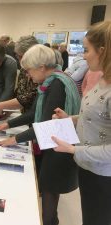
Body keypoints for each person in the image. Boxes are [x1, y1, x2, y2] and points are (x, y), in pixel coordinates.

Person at [0, 44, 81, 225]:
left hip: (58, 148)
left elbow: (47, 125)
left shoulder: (56, 85)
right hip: (54, 145)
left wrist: (14, 139)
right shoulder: (49, 81)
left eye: (29, 70)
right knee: (47, 189)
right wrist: (9, 123)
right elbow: (34, 113)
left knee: (49, 191)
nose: (27, 75)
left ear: (41, 67)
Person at [52, 21, 111, 225]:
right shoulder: (102, 79)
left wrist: (73, 150)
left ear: (102, 51)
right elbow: (95, 117)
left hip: (104, 174)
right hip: (89, 167)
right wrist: (71, 118)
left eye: (87, 50)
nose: (83, 56)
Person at [0, 35, 39, 117]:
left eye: (21, 56)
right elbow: (20, 90)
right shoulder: (24, 69)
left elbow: (30, 96)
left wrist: (1, 106)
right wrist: (9, 108)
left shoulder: (39, 71)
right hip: (25, 115)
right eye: (17, 56)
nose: (19, 60)